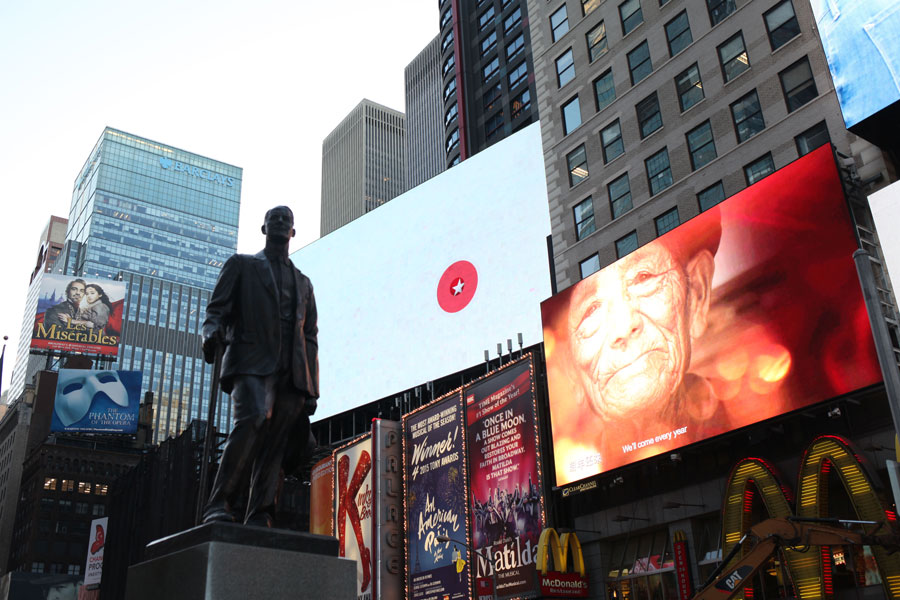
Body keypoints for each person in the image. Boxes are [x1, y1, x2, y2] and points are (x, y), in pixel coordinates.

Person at [565, 221, 721, 466]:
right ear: (570, 372)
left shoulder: (750, 412)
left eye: (643, 277)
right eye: (591, 309)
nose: (623, 327)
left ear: (696, 296)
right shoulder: (574, 468)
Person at [201, 206, 318, 527]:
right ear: (264, 228)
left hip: (291, 373)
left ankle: (261, 513)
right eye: (274, 219)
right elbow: (216, 310)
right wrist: (211, 332)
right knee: (252, 419)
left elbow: (310, 337)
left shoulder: (304, 283)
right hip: (251, 361)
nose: (281, 223)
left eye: (287, 220)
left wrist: (312, 387)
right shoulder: (242, 266)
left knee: (276, 444)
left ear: (293, 232)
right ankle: (219, 502)